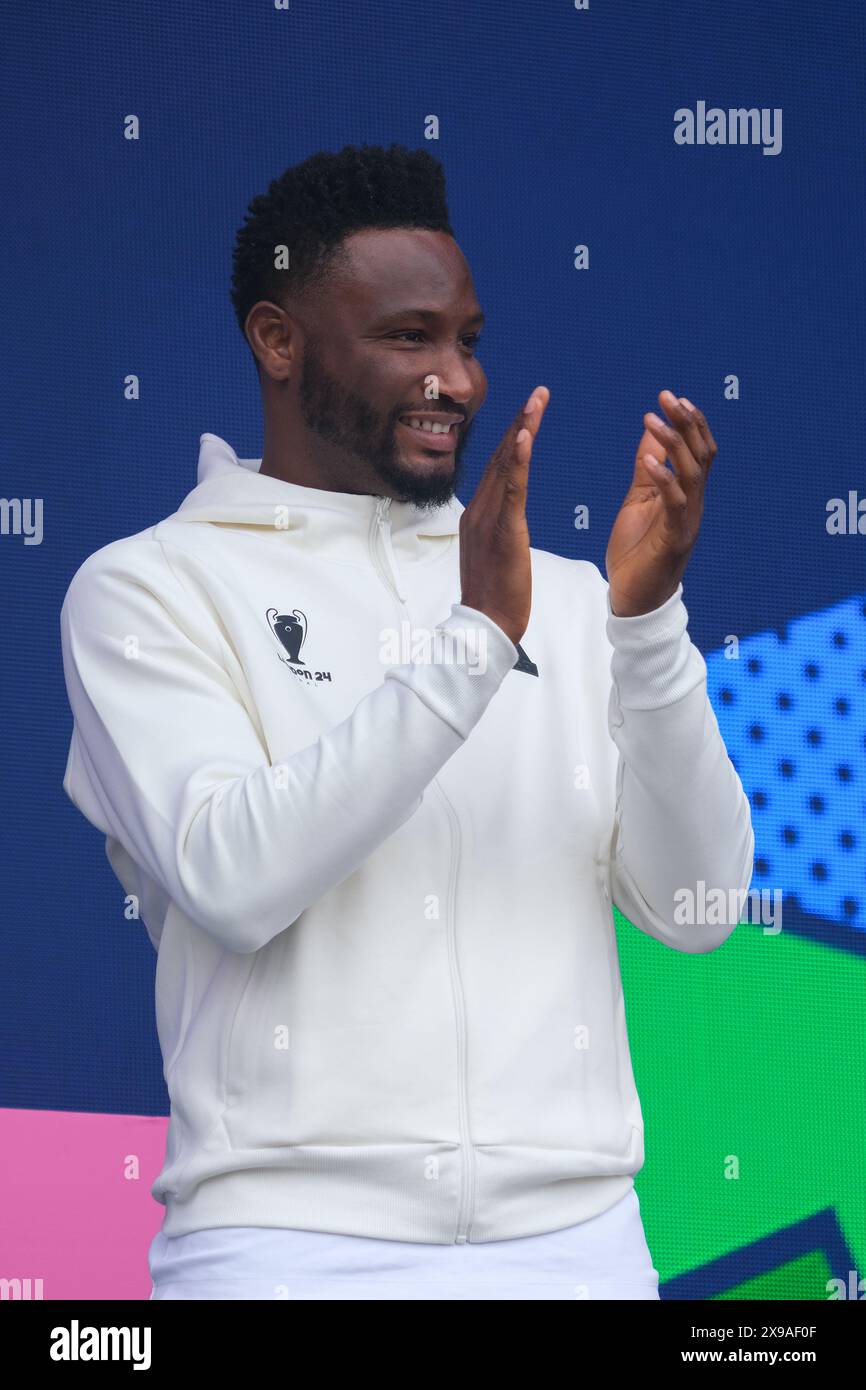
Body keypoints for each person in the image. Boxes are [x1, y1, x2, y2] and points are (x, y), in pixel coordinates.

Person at [60, 143, 753, 1300]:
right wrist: (473, 644)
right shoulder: (146, 589)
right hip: (285, 1254)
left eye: (467, 341)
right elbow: (231, 877)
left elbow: (699, 910)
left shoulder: (568, 595)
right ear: (277, 342)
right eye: (407, 337)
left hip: (580, 1251)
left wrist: (643, 624)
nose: (458, 379)